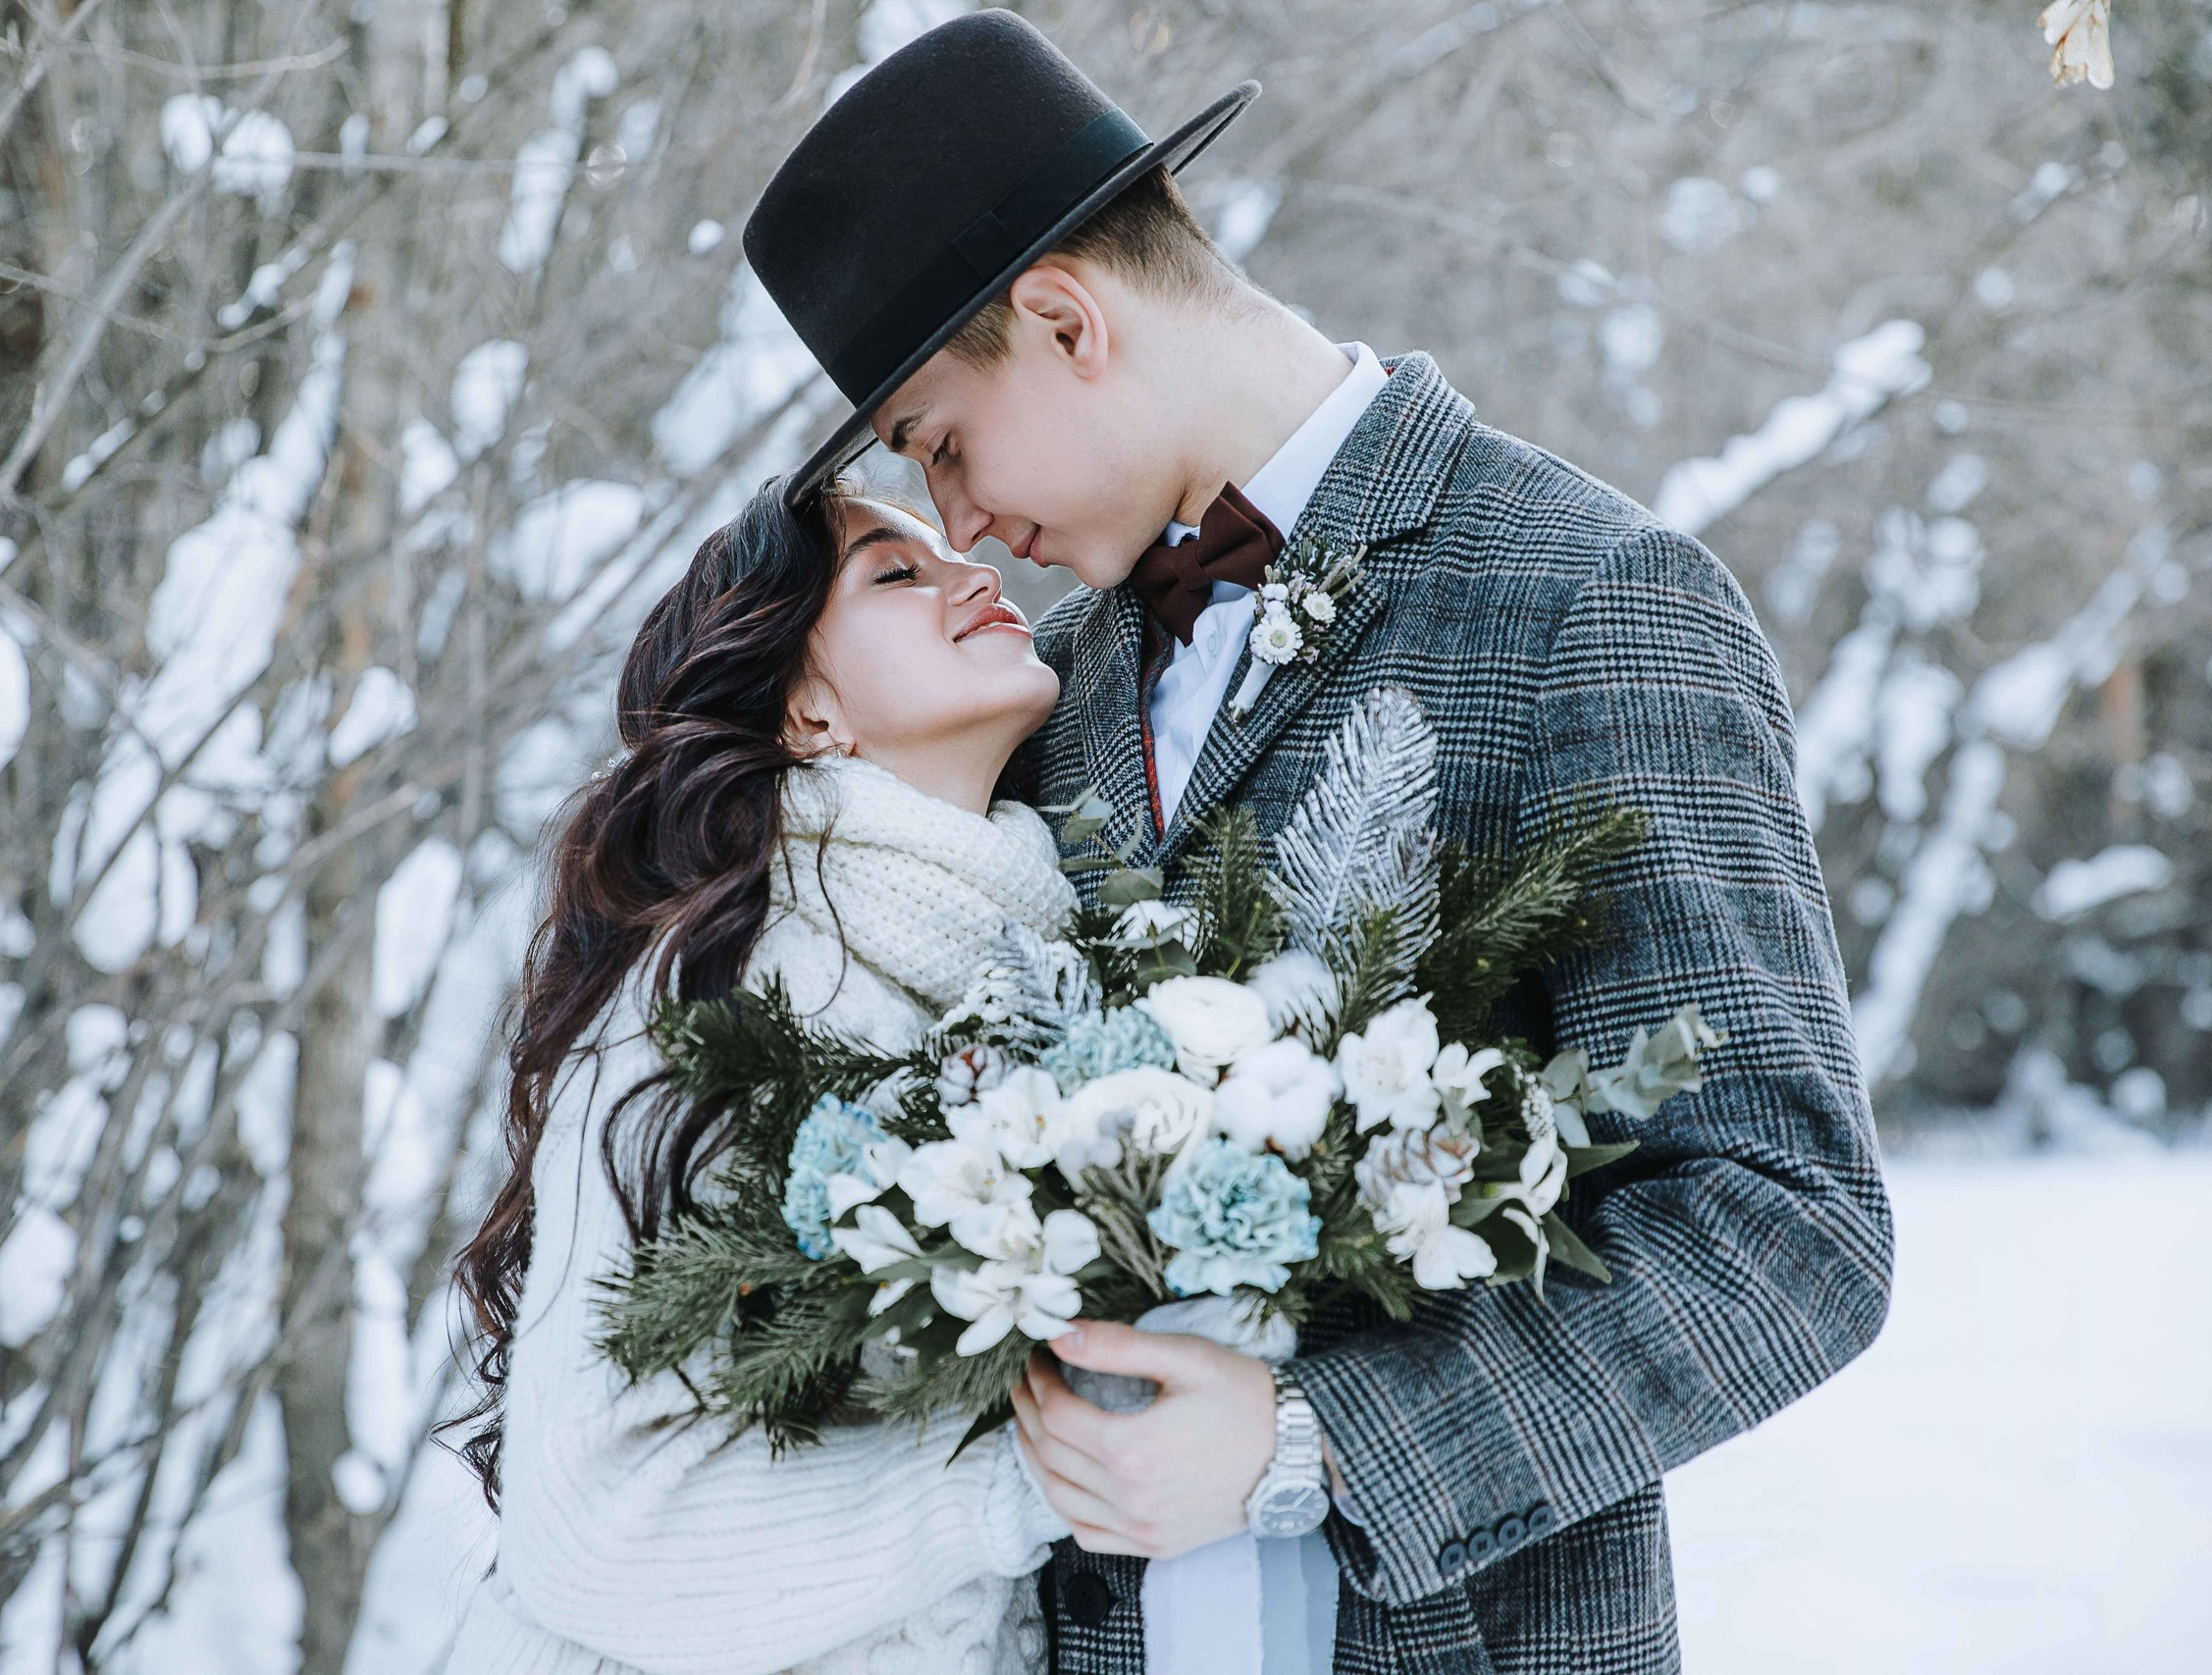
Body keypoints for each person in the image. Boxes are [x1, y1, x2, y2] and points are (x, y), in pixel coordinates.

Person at [735, 10, 1895, 1673]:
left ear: (1066, 320)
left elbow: (1790, 1223)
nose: (965, 524)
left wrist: (1322, 1437)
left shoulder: (1594, 600)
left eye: (938, 445)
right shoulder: (1042, 695)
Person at [440, 487, 1083, 1674]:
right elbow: (599, 1529)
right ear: (804, 711)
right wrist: (1037, 1482)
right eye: (899, 576)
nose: (978, 575)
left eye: (956, 554)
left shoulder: (1030, 961)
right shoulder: (720, 987)